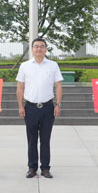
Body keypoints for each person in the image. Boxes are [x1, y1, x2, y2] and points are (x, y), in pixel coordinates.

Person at [16, 38, 63, 178]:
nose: (39, 49)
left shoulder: (53, 65)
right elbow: (20, 87)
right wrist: (20, 106)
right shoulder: (25, 66)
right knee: (31, 139)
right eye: (36, 46)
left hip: (48, 107)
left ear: (46, 49)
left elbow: (58, 85)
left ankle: (45, 168)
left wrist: (58, 105)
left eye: (42, 46)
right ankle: (32, 168)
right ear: (32, 49)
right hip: (30, 108)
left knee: (45, 139)